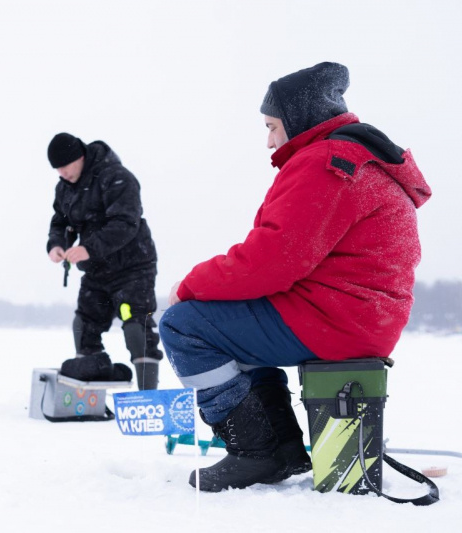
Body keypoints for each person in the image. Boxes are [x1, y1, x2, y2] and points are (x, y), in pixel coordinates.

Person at [159, 62, 432, 492]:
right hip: (357, 315)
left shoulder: (325, 162)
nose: (268, 140)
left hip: (337, 318)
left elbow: (272, 261)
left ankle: (258, 451)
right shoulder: (359, 160)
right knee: (228, 324)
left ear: (298, 118)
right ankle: (280, 448)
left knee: (184, 325)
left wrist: (189, 285)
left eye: (272, 126)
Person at [46, 132, 163, 390]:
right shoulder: (64, 188)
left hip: (132, 268)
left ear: (80, 157)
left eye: (65, 166)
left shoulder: (117, 177)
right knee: (84, 326)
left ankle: (147, 396)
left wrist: (88, 248)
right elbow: (60, 222)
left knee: (136, 327)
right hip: (97, 272)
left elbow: (126, 223)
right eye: (57, 170)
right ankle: (90, 388)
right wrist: (57, 245)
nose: (62, 173)